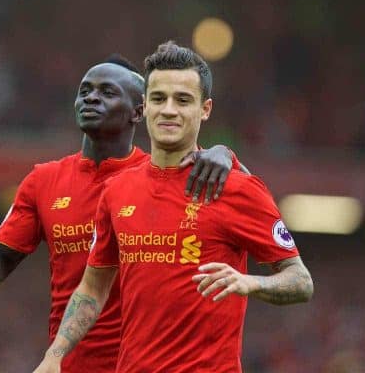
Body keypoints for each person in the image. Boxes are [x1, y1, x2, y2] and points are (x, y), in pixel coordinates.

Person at [0, 55, 249, 373]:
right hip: (71, 364)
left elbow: (248, 198)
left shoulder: (161, 175)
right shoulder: (44, 181)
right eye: (85, 90)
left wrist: (225, 155)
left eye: (107, 92)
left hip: (146, 364)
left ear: (139, 111)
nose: (91, 97)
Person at [34, 42, 314, 373]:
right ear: (144, 106)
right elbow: (93, 287)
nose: (169, 110)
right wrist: (55, 355)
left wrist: (249, 282)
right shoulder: (116, 191)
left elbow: (300, 281)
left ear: (205, 108)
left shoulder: (235, 188)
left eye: (183, 100)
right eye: (158, 98)